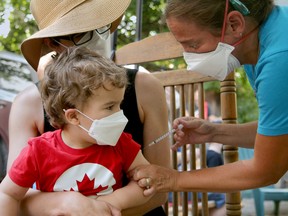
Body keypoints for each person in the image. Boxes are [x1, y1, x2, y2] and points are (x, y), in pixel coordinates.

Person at [7, 0, 169, 215]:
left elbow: (160, 187)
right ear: (53, 43)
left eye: (100, 25)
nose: (97, 37)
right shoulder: (28, 104)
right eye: (80, 32)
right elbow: (14, 196)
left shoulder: (146, 88)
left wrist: (105, 208)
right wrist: (67, 204)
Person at [131, 0, 288, 199]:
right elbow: (279, 134)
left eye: (193, 44)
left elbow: (267, 169)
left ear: (235, 24)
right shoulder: (260, 42)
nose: (187, 55)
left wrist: (173, 179)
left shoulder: (279, 60)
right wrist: (214, 132)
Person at [0, 46, 155, 215]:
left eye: (120, 104)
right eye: (110, 107)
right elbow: (7, 193)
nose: (120, 114)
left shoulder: (121, 142)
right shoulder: (38, 151)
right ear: (73, 117)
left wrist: (111, 202)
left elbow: (146, 181)